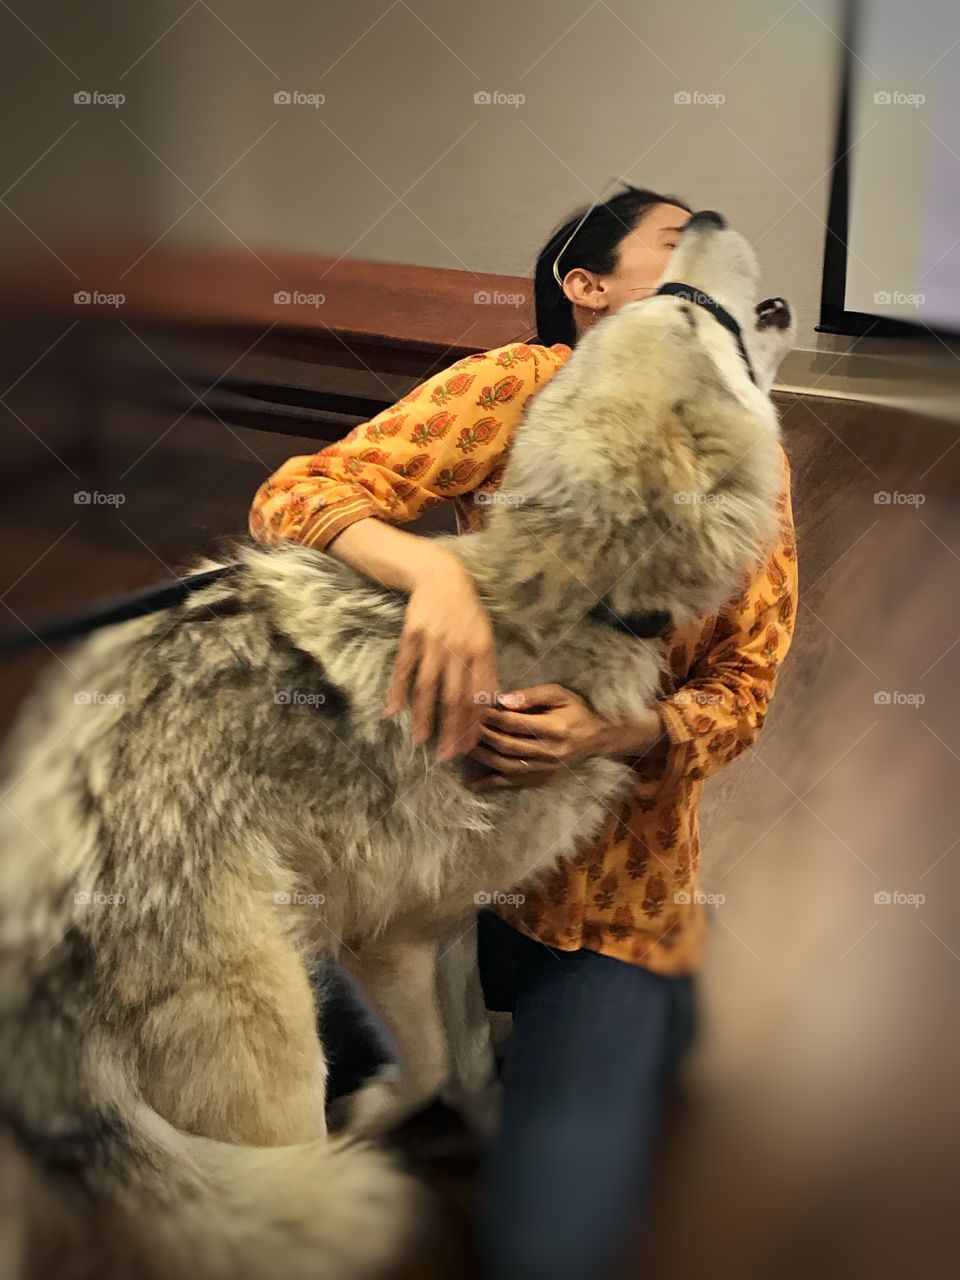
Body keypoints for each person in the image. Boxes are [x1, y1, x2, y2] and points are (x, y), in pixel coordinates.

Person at [248, 184, 799, 1280]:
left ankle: (635, 1019)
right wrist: (432, 578)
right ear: (587, 295)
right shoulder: (515, 386)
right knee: (276, 1082)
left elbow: (746, 686)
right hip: (438, 842)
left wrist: (619, 731)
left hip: (609, 892)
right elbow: (297, 495)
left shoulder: (746, 446)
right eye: (674, 252)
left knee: (550, 1242)